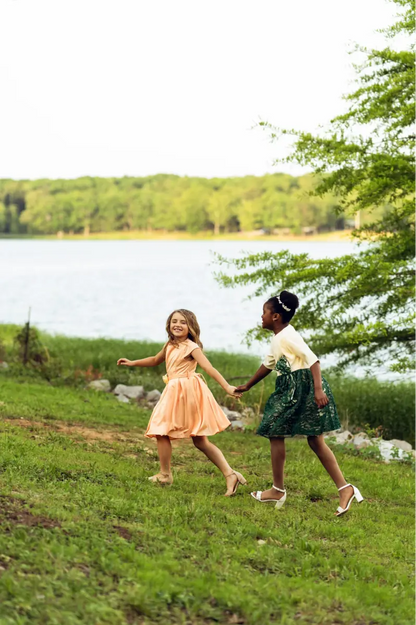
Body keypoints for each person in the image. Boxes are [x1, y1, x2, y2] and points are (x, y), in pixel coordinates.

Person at [236, 291, 363, 517]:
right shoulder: (279, 338)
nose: (261, 317)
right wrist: (248, 385)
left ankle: (343, 489)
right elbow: (269, 364)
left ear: (275, 316)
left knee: (308, 438)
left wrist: (317, 390)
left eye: (264, 313)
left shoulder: (287, 336)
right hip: (290, 388)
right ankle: (281, 489)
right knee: (286, 434)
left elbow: (313, 359)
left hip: (303, 388)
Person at [117, 309, 246, 496]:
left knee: (199, 440)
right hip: (173, 391)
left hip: (189, 392)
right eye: (174, 321)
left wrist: (227, 387)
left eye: (183, 322)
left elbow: (208, 367)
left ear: (191, 327)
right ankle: (165, 474)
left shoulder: (191, 347)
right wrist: (132, 363)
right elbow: (155, 360)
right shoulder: (169, 344)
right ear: (169, 324)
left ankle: (229, 474)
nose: (177, 325)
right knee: (161, 430)